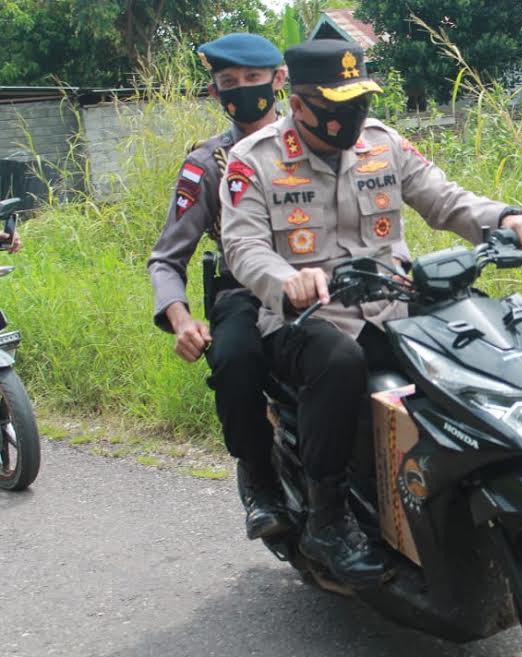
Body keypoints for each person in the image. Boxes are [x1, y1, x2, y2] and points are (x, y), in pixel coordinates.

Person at [220, 39, 522, 587]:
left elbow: (445, 199)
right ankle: (329, 520)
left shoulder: (384, 143)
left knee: (470, 340)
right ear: (298, 105)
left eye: (360, 103)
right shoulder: (252, 161)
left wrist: (505, 217)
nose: (353, 118)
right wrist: (287, 279)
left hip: (392, 303)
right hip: (307, 320)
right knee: (339, 360)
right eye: (337, 107)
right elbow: (244, 246)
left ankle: (465, 490)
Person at [147, 33, 296, 542]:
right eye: (229, 84)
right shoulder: (206, 165)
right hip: (246, 294)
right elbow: (167, 258)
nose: (242, 92)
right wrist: (181, 318)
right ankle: (258, 477)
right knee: (235, 360)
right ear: (215, 93)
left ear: (277, 81)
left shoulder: (316, 143)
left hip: (322, 283)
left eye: (253, 80)